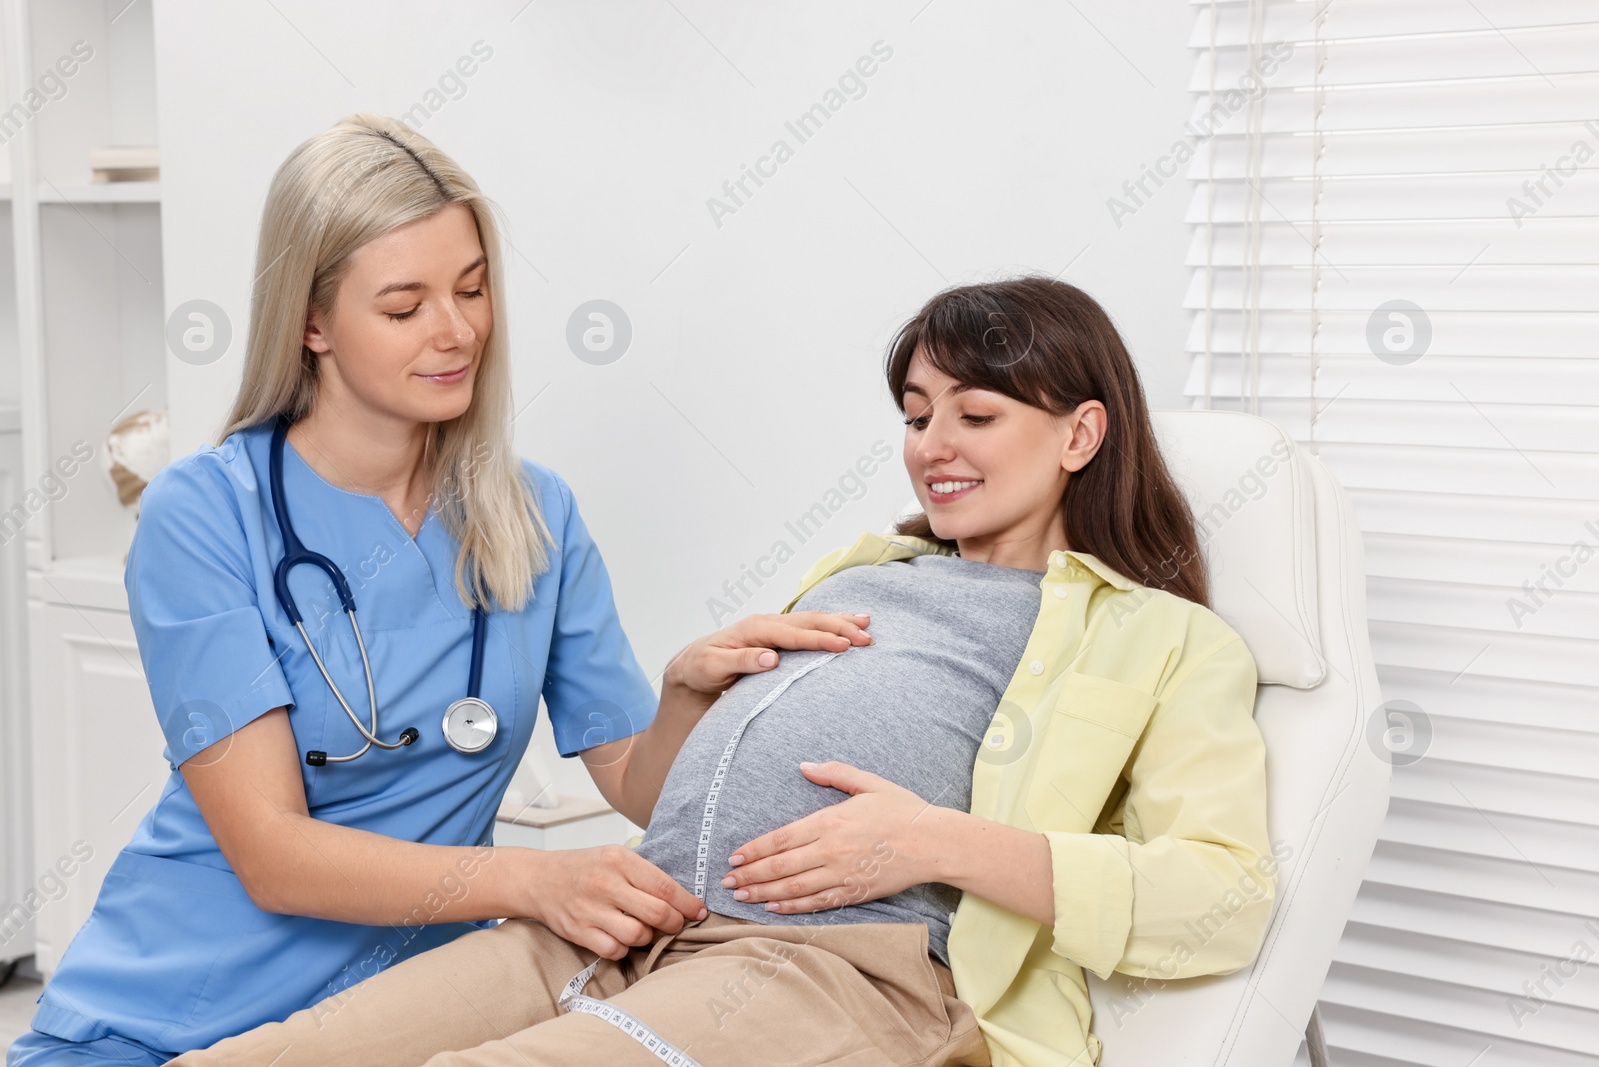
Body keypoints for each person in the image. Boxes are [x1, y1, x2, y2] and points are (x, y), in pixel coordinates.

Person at [162, 276, 1275, 1067]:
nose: (933, 443)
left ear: (1080, 433)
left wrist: (936, 841)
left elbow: (1221, 897)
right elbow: (686, 788)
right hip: (637, 919)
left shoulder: (1161, 639)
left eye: (975, 414)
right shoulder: (866, 566)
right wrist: (690, 693)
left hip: (833, 964)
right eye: (916, 414)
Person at [4, 114, 871, 1067]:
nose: (456, 331)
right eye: (404, 305)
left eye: (471, 288)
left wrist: (684, 699)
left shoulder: (531, 512)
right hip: (167, 1018)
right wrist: (530, 881)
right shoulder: (205, 514)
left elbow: (637, 786)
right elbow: (273, 853)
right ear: (312, 321)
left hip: (408, 1022)